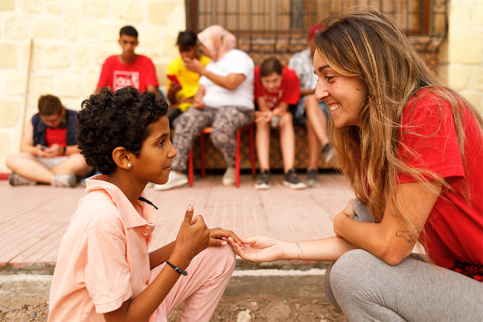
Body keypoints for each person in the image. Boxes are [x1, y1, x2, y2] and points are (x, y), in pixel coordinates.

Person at [229, 10, 483, 321]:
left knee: (354, 274)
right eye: (318, 78)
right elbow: (378, 238)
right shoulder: (373, 136)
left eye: (330, 77)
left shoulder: (429, 110)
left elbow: (392, 246)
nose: (320, 92)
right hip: (467, 283)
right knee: (338, 277)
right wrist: (284, 248)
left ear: (369, 72)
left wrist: (341, 224)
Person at [48, 87, 239, 321]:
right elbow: (122, 320)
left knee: (218, 254)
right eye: (161, 143)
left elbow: (134, 269)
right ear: (125, 158)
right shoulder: (102, 219)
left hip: (131, 308)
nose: (173, 151)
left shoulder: (123, 201)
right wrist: (180, 257)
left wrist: (187, 244)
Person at [155, 25, 255, 190]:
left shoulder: (238, 57)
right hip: (209, 108)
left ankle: (232, 166)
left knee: (221, 130)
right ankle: (178, 173)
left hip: (237, 107)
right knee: (184, 121)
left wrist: (202, 71)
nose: (202, 49)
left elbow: (232, 83)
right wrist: (199, 100)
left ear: (217, 43)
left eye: (205, 45)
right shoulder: (211, 65)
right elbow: (201, 89)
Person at [6, 94, 90, 187]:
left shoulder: (76, 118)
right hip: (41, 161)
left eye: (53, 120)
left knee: (83, 161)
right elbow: (24, 147)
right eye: (46, 121)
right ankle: (55, 179)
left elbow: (86, 148)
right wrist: (36, 151)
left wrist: (63, 150)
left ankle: (34, 177)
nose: (50, 123)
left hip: (66, 162)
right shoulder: (35, 119)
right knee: (11, 160)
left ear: (62, 112)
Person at [288, 24, 335, 187]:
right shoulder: (297, 60)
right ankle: (325, 143)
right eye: (316, 40)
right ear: (309, 41)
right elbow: (290, 90)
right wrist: (312, 92)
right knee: (310, 100)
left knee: (311, 119)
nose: (319, 44)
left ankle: (312, 169)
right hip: (300, 105)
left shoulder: (333, 59)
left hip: (326, 106)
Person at [254, 57, 306, 190]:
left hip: (281, 112)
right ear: (261, 79)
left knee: (287, 118)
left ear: (282, 75)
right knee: (262, 122)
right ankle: (264, 172)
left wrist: (274, 114)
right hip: (262, 113)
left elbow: (283, 107)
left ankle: (289, 172)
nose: (271, 86)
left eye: (275, 80)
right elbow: (262, 106)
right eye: (267, 81)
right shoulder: (256, 74)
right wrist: (268, 115)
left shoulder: (290, 76)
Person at [95, 25, 159, 96]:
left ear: (137, 43)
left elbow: (152, 92)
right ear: (119, 42)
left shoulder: (146, 62)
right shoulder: (109, 62)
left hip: (139, 105)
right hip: (115, 106)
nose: (128, 47)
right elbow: (99, 91)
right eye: (125, 42)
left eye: (132, 43)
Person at [166, 30, 211, 127]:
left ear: (196, 47)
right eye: (181, 50)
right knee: (163, 123)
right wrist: (172, 91)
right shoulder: (174, 64)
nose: (184, 55)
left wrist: (187, 101)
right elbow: (171, 100)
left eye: (188, 50)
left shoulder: (207, 64)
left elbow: (211, 93)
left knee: (178, 123)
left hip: (200, 107)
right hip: (180, 107)